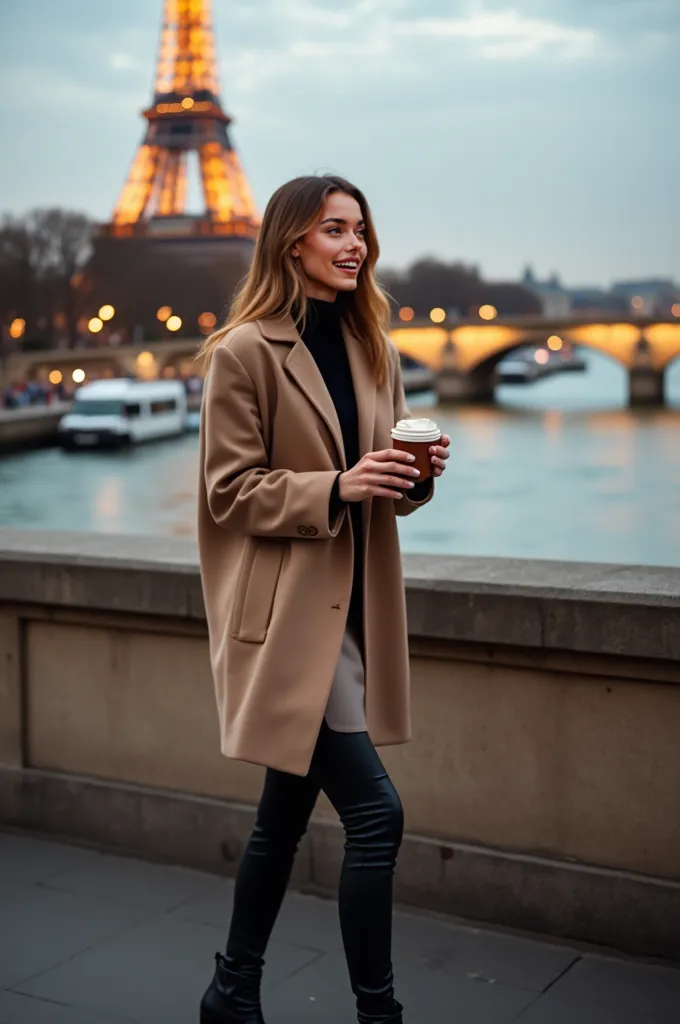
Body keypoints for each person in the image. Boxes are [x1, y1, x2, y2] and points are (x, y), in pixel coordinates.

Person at [196, 174, 451, 1024]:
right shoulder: (242, 351)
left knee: (282, 819)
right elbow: (230, 494)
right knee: (377, 815)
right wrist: (337, 485)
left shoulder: (373, 345)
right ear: (292, 241)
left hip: (357, 609)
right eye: (336, 229)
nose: (356, 246)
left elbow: (381, 486)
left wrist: (413, 481)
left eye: (362, 231)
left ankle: (233, 990)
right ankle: (379, 1013)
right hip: (293, 621)